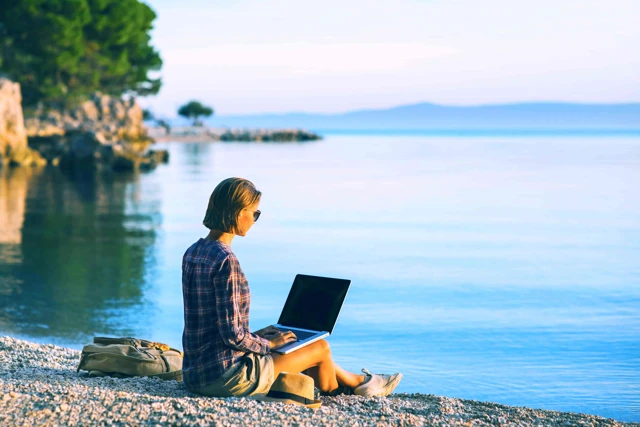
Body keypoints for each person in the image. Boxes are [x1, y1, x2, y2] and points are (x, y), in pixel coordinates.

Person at [182, 177, 402, 398]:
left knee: (296, 344)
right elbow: (233, 336)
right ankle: (348, 391)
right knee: (320, 348)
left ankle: (358, 384)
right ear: (240, 212)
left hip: (195, 374)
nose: (254, 220)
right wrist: (268, 343)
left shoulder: (193, 251)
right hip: (226, 377)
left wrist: (257, 336)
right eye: (255, 213)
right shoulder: (226, 260)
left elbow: (212, 327)